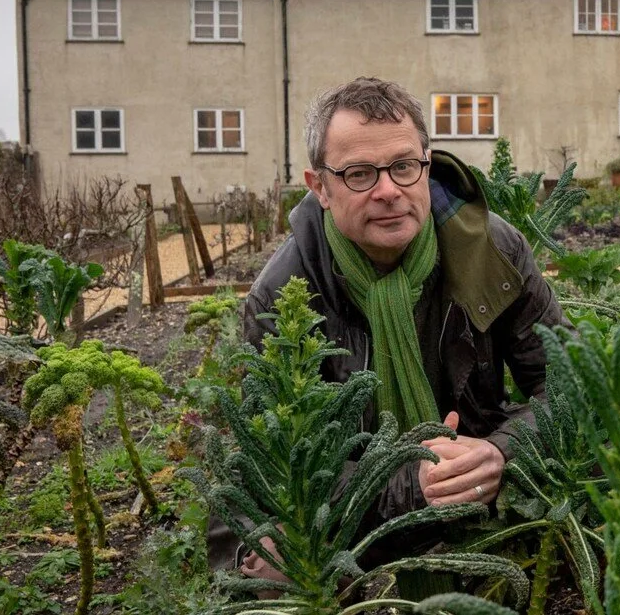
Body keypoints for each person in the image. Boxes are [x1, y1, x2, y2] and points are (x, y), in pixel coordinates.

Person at [208, 77, 562, 581]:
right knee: (275, 567)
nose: (389, 191)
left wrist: (501, 450)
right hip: (351, 514)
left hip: (477, 481)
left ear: (426, 164)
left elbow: (569, 382)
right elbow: (282, 467)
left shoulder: (492, 250)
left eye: (403, 166)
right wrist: (413, 484)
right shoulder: (283, 296)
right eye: (359, 174)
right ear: (320, 187)